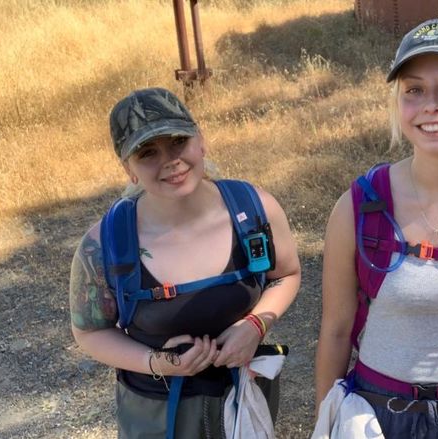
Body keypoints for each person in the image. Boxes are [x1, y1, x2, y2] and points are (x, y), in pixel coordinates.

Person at [314, 18, 438, 438]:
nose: (432, 104)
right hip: (377, 417)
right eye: (414, 90)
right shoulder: (360, 206)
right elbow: (335, 332)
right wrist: (326, 421)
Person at [69, 87, 301, 438]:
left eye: (178, 141)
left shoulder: (255, 210)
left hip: (244, 401)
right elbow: (90, 331)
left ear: (201, 141)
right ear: (128, 168)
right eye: (147, 152)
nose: (170, 161)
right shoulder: (104, 244)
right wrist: (159, 364)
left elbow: (286, 274)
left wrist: (254, 325)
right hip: (157, 416)